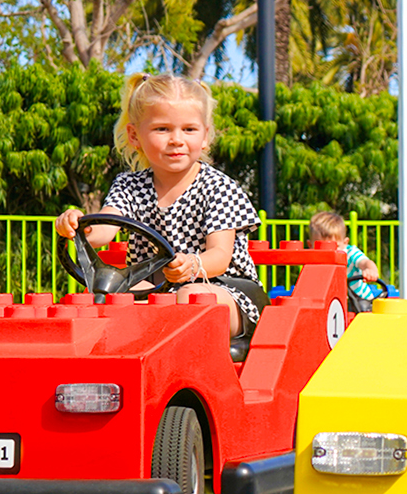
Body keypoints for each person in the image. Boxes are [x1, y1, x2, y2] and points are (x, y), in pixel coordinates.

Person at [56, 74, 261, 336]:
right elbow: (101, 231)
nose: (176, 139)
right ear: (134, 135)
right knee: (116, 298)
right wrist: (76, 224)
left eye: (189, 129)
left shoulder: (217, 187)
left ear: (205, 136)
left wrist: (192, 264)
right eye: (162, 129)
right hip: (157, 291)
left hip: (225, 290)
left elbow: (220, 256)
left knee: (190, 296)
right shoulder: (129, 186)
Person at [309, 210, 380, 300]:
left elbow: (365, 262)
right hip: (333, 303)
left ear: (345, 243)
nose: (329, 252)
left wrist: (370, 270)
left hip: (360, 303)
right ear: (310, 246)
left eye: (335, 246)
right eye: (321, 247)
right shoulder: (312, 260)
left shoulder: (350, 253)